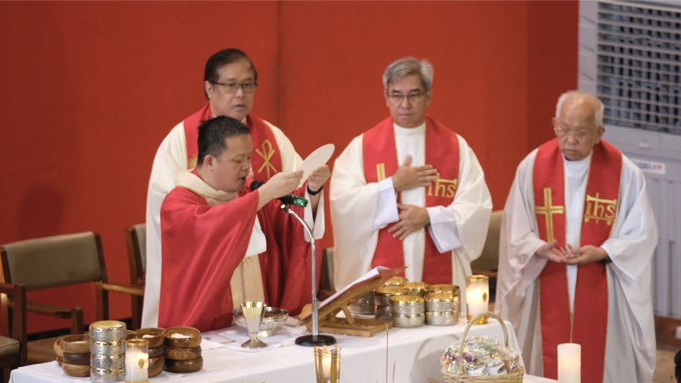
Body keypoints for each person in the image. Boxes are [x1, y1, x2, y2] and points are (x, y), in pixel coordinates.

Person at [496, 90, 657, 383]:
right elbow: (515, 230)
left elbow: (641, 235)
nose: (570, 140)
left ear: (599, 132)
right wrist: (539, 247)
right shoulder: (532, 167)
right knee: (541, 375)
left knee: (613, 380)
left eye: (581, 133)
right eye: (564, 130)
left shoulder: (625, 173)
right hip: (545, 283)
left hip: (605, 290)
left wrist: (603, 251)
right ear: (554, 126)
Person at [143, 48, 329, 327]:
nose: (240, 93)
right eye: (231, 85)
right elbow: (179, 222)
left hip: (261, 270)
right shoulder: (180, 140)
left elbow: (285, 211)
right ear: (209, 87)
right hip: (205, 275)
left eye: (247, 85)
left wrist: (311, 192)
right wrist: (256, 199)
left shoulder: (273, 137)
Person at [329, 56, 491, 290]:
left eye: (414, 95)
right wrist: (392, 185)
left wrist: (429, 217)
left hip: (440, 276)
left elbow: (477, 209)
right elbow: (344, 205)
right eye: (397, 95)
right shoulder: (362, 148)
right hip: (382, 274)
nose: (405, 104)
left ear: (428, 96)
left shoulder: (456, 147)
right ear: (386, 97)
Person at [158, 116, 315, 331]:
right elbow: (212, 226)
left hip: (255, 329)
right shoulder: (177, 204)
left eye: (249, 158)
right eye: (237, 160)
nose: (247, 168)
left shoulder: (247, 193)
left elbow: (285, 225)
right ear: (210, 161)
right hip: (202, 333)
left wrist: (312, 191)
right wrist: (264, 194)